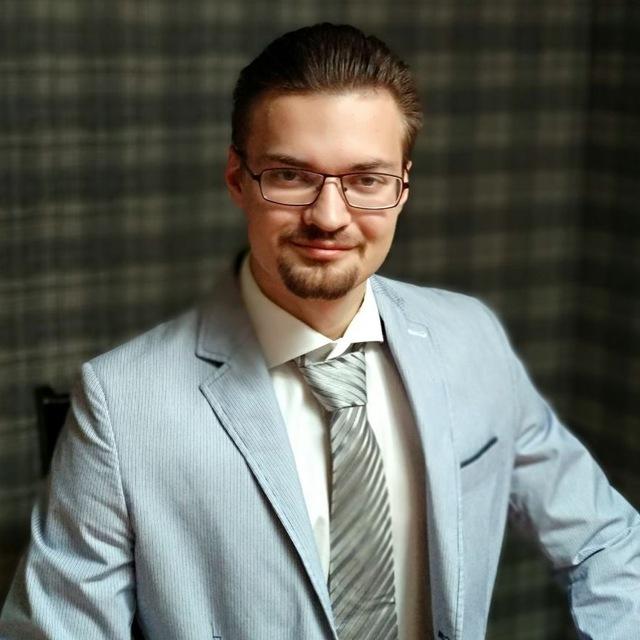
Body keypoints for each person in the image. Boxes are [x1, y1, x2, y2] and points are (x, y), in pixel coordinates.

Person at [1, 22, 638, 640]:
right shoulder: (120, 404)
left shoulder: (472, 337)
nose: (329, 217)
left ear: (402, 188)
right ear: (237, 179)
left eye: (366, 180)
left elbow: (605, 538)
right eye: (291, 176)